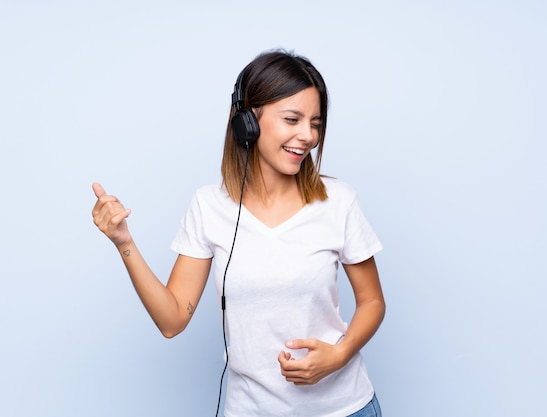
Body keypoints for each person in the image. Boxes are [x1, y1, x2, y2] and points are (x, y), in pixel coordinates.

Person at [91, 49, 385, 417]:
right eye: (292, 119)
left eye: (316, 123)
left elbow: (373, 302)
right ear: (247, 122)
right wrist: (125, 244)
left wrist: (339, 356)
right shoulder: (208, 206)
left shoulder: (338, 201)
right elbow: (172, 321)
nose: (307, 135)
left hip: (344, 408)